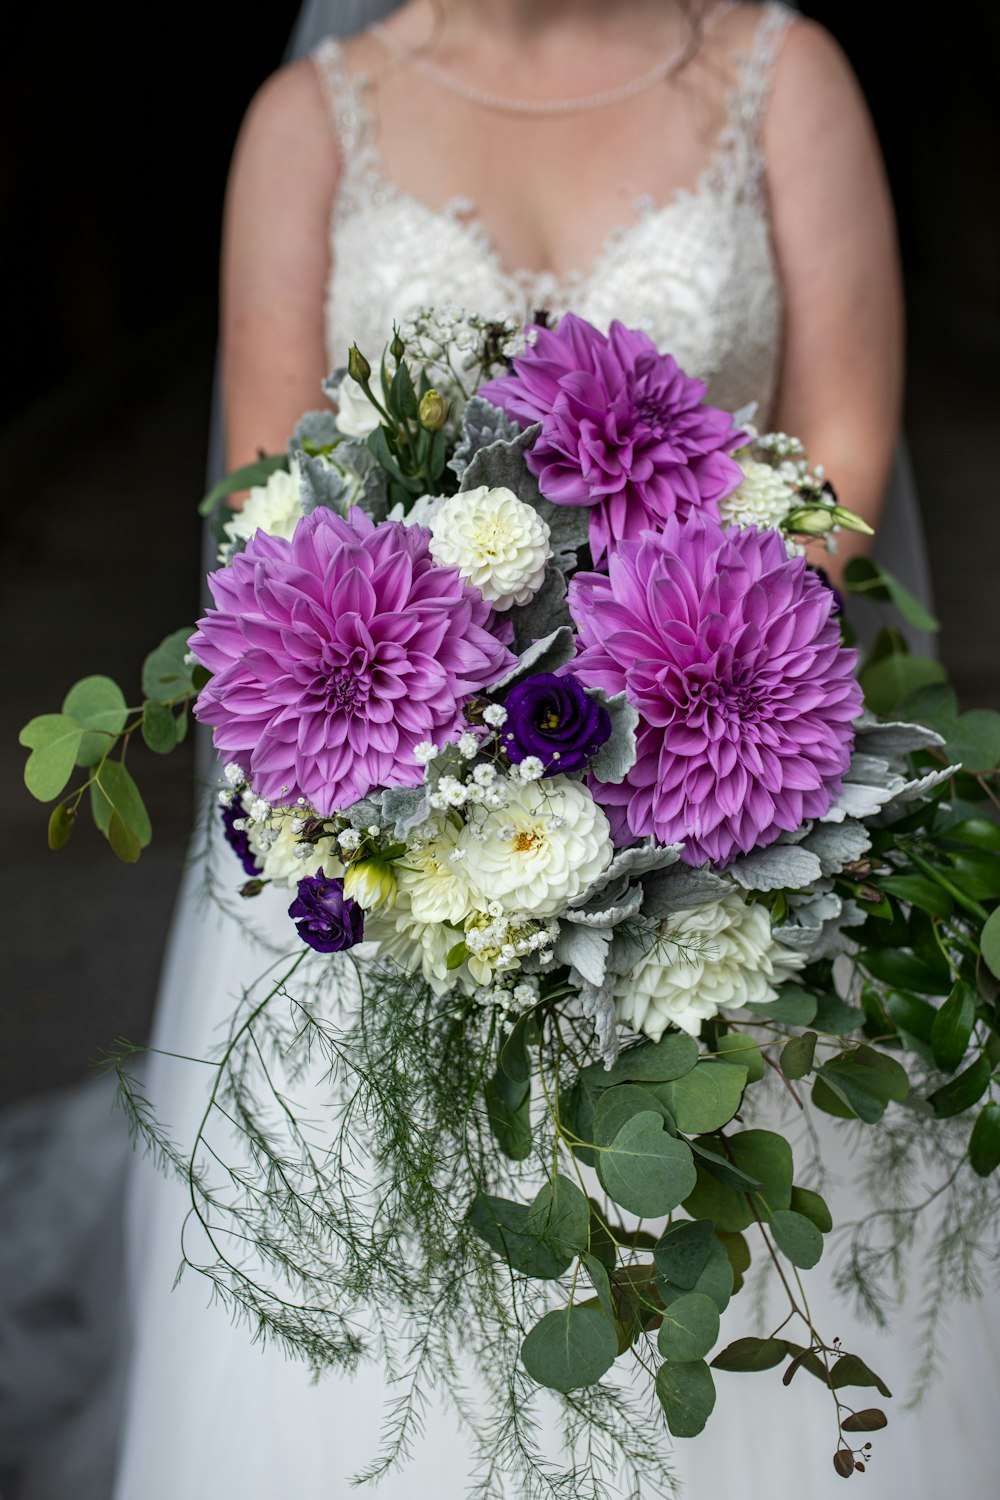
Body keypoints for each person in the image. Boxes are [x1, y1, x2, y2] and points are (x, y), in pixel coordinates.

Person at [110, 3, 993, 1497]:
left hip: (734, 775)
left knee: (732, 1258)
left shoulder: (777, 72)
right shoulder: (310, 119)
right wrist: (459, 748)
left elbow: (840, 444)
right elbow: (267, 497)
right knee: (389, 1339)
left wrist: (655, 695)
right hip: (393, 824)